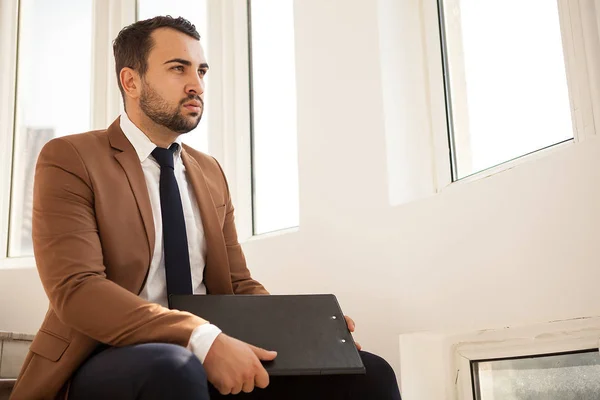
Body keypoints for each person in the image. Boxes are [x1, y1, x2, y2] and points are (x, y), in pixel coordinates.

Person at [9, 16, 401, 400]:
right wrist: (200, 337)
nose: (196, 85)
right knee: (174, 368)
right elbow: (77, 291)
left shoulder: (209, 171)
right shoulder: (71, 157)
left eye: (202, 71)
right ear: (131, 81)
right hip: (102, 353)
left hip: (211, 345)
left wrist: (302, 329)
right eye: (178, 69)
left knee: (371, 373)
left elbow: (237, 282)